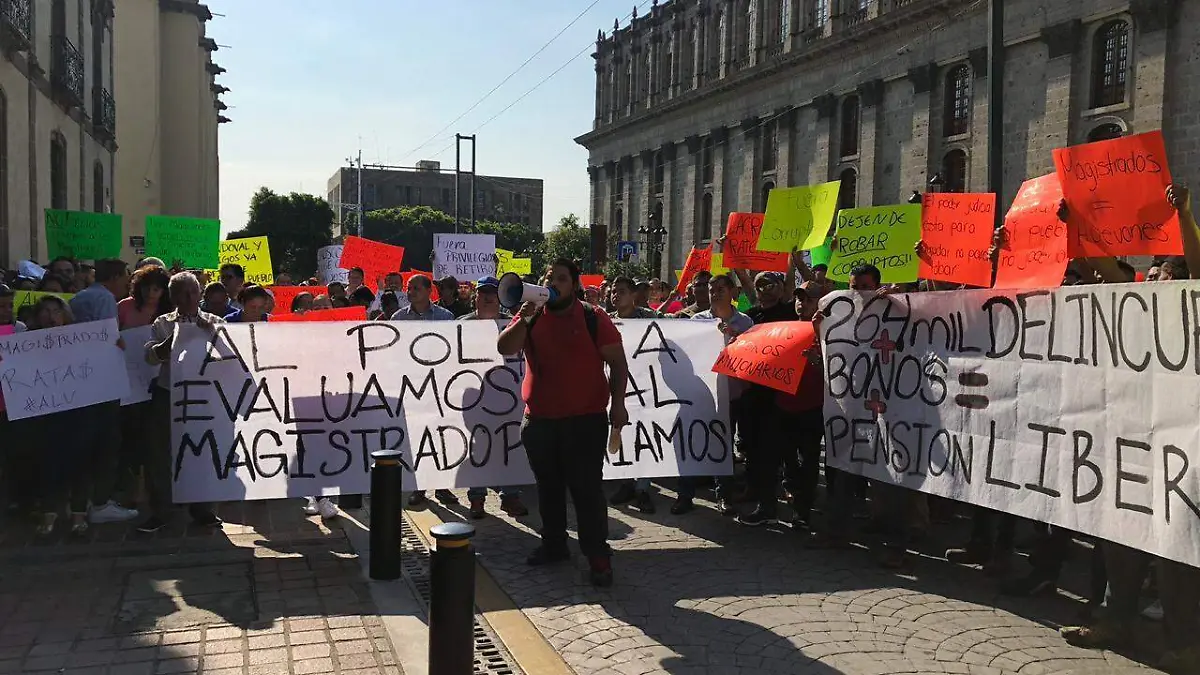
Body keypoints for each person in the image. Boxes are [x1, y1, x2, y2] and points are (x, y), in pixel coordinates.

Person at [497, 258, 628, 587]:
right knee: (548, 489)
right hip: (540, 421)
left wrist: (619, 405)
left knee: (586, 491)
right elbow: (505, 347)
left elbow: (617, 362)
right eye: (548, 277)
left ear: (574, 284)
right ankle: (554, 545)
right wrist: (525, 317)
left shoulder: (592, 316)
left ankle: (597, 555)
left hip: (585, 422)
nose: (553, 283)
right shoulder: (531, 314)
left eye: (561, 278)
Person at [138, 272, 223, 533]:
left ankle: (203, 509)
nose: (188, 298)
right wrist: (168, 344)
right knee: (161, 454)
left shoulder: (215, 322)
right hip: (169, 394)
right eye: (182, 293)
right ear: (172, 296)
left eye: (193, 292)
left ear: (200, 294)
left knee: (203, 451)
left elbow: (234, 357)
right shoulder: (162, 323)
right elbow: (150, 357)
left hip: (204, 396)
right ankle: (161, 511)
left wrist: (215, 336)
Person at [674, 273, 754, 515]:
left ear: (733, 293)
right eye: (712, 289)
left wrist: (736, 340)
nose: (715, 293)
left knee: (723, 445)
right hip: (703, 394)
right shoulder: (697, 321)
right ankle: (685, 495)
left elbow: (752, 357)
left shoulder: (746, 323)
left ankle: (724, 495)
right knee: (692, 442)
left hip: (732, 394)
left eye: (720, 288)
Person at [69, 259, 140, 525]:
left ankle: (83, 503)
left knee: (86, 445)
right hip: (102, 383)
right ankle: (100, 503)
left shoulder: (79, 297)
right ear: (114, 277)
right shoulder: (106, 299)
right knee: (106, 444)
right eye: (125, 276)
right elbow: (108, 338)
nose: (127, 282)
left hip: (81, 382)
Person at [459, 277, 528, 519]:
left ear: (500, 297)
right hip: (474, 399)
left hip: (508, 399)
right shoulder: (460, 326)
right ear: (475, 297)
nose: (488, 296)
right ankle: (477, 499)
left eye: (493, 292)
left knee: (509, 445)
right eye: (483, 292)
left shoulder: (513, 324)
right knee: (478, 447)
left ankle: (510, 496)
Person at [26, 296, 94, 535]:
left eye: (56, 310)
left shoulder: (81, 340)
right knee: (48, 463)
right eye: (45, 311)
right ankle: (49, 512)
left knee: (79, 462)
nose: (50, 315)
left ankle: (78, 513)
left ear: (66, 314)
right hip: (43, 414)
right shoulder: (26, 342)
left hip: (77, 412)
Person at [393, 274, 458, 506]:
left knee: (442, 438)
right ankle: (418, 488)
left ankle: (442, 487)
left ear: (429, 291)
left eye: (416, 288)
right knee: (419, 440)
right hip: (413, 387)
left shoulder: (446, 317)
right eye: (408, 288)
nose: (410, 291)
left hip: (440, 387)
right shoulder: (398, 318)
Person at [605, 276, 660, 513]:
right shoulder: (607, 321)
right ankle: (626, 483)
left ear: (633, 295)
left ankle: (643, 489)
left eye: (622, 291)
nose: (616, 295)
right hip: (618, 388)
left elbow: (676, 330)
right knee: (623, 436)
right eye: (613, 292)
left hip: (646, 387)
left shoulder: (649, 317)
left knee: (643, 435)